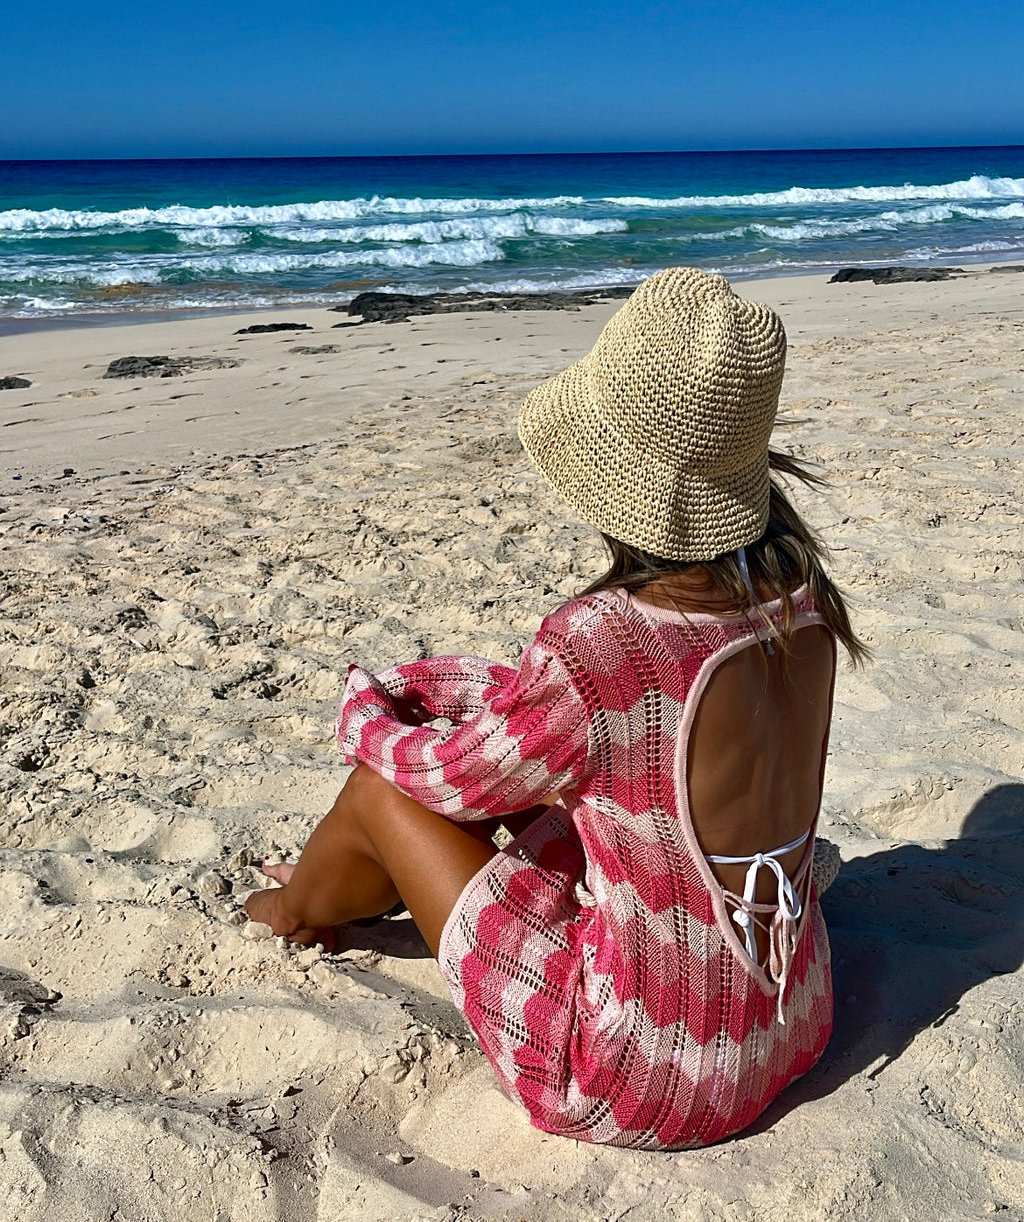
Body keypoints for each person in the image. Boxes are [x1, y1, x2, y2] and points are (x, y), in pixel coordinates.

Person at [245, 268, 866, 1149]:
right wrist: (463, 686)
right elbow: (623, 731)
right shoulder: (801, 597)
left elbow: (456, 784)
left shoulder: (597, 642)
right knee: (553, 798)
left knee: (382, 792)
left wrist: (368, 715)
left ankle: (300, 912)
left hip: (639, 1077)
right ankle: (332, 893)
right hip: (791, 1020)